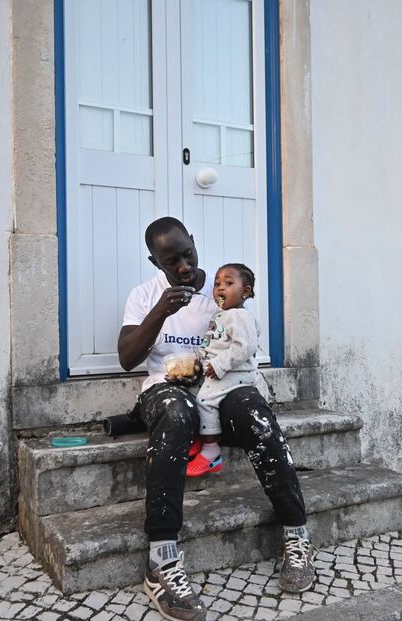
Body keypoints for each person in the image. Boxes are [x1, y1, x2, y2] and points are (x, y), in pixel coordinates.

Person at [118, 217, 316, 621]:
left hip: (218, 387)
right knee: (178, 411)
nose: (185, 267)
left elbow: (243, 346)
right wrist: (160, 310)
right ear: (155, 261)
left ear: (194, 241)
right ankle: (161, 559)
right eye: (171, 261)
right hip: (166, 390)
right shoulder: (144, 296)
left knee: (253, 411)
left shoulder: (223, 291)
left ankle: (297, 535)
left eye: (187, 254)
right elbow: (126, 358)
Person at [186, 263, 261, 477]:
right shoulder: (221, 316)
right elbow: (211, 344)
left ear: (245, 292)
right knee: (191, 393)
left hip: (236, 373)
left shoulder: (240, 316)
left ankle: (211, 452)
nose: (220, 288)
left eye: (228, 284)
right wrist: (197, 360)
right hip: (217, 371)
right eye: (217, 284)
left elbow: (245, 346)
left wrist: (218, 365)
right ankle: (201, 436)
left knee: (205, 400)